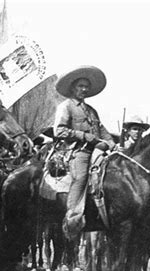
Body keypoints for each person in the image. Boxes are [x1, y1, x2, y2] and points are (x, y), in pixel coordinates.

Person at [53, 65, 115, 240]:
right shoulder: (66, 107)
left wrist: (111, 143)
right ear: (73, 88)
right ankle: (73, 218)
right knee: (80, 178)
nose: (84, 89)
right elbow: (59, 131)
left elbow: (102, 131)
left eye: (86, 86)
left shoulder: (91, 111)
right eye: (80, 86)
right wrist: (84, 136)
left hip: (98, 151)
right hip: (78, 151)